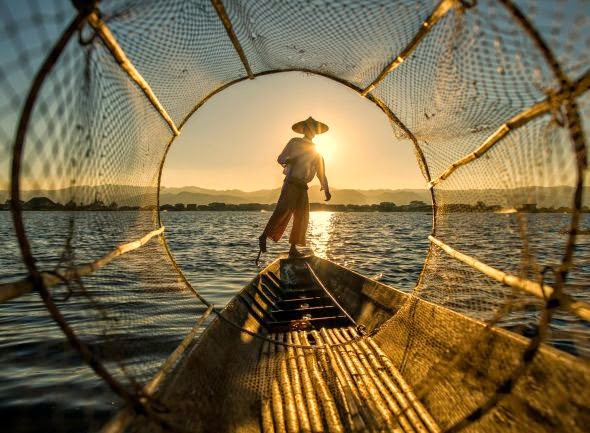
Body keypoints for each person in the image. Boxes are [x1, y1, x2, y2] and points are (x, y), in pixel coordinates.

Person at [257, 116, 331, 263]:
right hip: (291, 182)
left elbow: (321, 172)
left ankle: (293, 248)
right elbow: (281, 158)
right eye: (309, 128)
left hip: (303, 187)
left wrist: (326, 189)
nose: (312, 131)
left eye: (314, 129)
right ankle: (264, 236)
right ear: (304, 129)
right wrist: (288, 161)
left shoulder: (316, 151)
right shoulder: (294, 142)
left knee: (302, 217)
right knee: (282, 211)